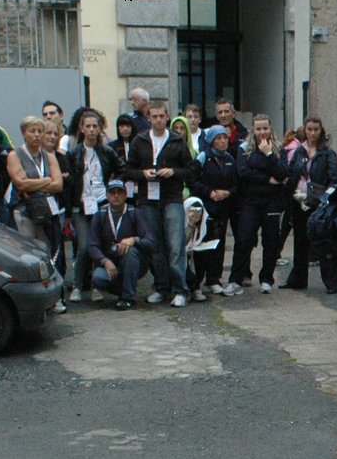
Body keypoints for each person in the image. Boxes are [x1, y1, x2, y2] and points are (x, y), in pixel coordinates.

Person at [128, 102, 193, 308]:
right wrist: (143, 174)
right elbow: (128, 170)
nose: (157, 120)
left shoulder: (176, 140)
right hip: (148, 198)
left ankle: (181, 289)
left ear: (167, 117)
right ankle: (161, 288)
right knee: (155, 247)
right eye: (153, 116)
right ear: (148, 118)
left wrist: (173, 171)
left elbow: (190, 170)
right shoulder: (139, 141)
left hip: (172, 197)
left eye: (161, 116)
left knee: (175, 245)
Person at [7, 115, 67, 312]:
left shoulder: (48, 156)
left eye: (39, 131)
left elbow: (58, 184)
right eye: (32, 131)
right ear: (24, 133)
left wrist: (34, 184)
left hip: (47, 210)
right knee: (27, 252)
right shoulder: (15, 155)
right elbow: (20, 184)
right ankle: (30, 298)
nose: (36, 135)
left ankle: (53, 297)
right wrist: (45, 180)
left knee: (47, 251)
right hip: (25, 211)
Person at [231, 113, 291, 293]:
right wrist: (267, 179)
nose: (262, 132)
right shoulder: (244, 148)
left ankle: (266, 278)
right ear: (253, 130)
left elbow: (282, 174)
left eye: (265, 128)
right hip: (251, 201)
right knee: (244, 239)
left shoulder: (280, 148)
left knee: (271, 241)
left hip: (272, 202)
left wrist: (269, 154)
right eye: (258, 129)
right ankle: (236, 278)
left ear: (270, 128)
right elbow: (243, 173)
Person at [65, 109, 120, 305]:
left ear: (100, 128)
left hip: (101, 204)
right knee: (83, 246)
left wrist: (113, 190)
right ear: (81, 128)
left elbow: (120, 169)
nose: (91, 130)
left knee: (100, 245)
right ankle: (78, 286)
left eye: (94, 126)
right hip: (81, 206)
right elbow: (69, 183)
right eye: (87, 126)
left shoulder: (107, 151)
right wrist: (70, 209)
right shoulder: (74, 153)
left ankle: (97, 286)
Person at [283, 116, 337, 293]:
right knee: (300, 242)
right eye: (310, 129)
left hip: (319, 204)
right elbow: (292, 173)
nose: (313, 133)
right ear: (305, 130)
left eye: (316, 129)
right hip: (300, 202)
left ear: (321, 130)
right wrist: (291, 193)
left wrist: (326, 199)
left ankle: (331, 283)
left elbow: (334, 179)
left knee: (323, 242)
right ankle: (298, 279)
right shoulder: (300, 151)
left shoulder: (327, 153)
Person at [89, 180, 152, 310]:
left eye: (120, 192)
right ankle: (124, 289)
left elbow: (151, 241)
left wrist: (134, 240)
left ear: (125, 195)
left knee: (130, 251)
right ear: (107, 195)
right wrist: (104, 261)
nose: (116, 196)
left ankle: (128, 298)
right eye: (112, 193)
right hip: (111, 263)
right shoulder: (100, 215)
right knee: (98, 277)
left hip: (133, 262)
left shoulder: (135, 213)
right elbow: (92, 245)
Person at [190, 125, 237, 297]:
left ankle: (214, 279)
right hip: (205, 209)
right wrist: (208, 192)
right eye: (218, 138)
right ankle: (196, 283)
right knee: (202, 246)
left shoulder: (230, 159)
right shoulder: (203, 158)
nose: (222, 141)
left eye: (225, 137)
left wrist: (228, 193)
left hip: (222, 209)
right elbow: (192, 180)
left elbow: (236, 183)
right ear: (211, 141)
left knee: (219, 245)